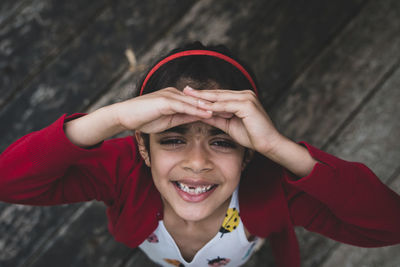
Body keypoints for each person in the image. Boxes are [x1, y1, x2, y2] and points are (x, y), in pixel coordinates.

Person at [0, 41, 399, 267]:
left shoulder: (273, 187)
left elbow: (388, 226)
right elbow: (9, 181)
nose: (197, 162)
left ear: (248, 154)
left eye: (222, 140)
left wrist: (278, 148)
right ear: (143, 146)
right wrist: (114, 116)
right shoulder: (122, 169)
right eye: (173, 139)